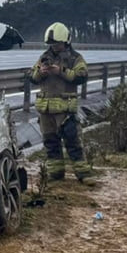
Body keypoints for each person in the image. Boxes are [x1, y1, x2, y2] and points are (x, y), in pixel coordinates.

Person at [30, 22, 91, 183]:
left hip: (65, 111)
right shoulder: (44, 57)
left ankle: (83, 175)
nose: (54, 47)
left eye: (57, 44)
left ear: (65, 41)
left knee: (73, 143)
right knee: (50, 144)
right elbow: (32, 77)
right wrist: (40, 72)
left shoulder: (75, 58)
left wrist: (61, 71)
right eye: (52, 44)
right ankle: (56, 174)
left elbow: (81, 76)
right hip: (46, 111)